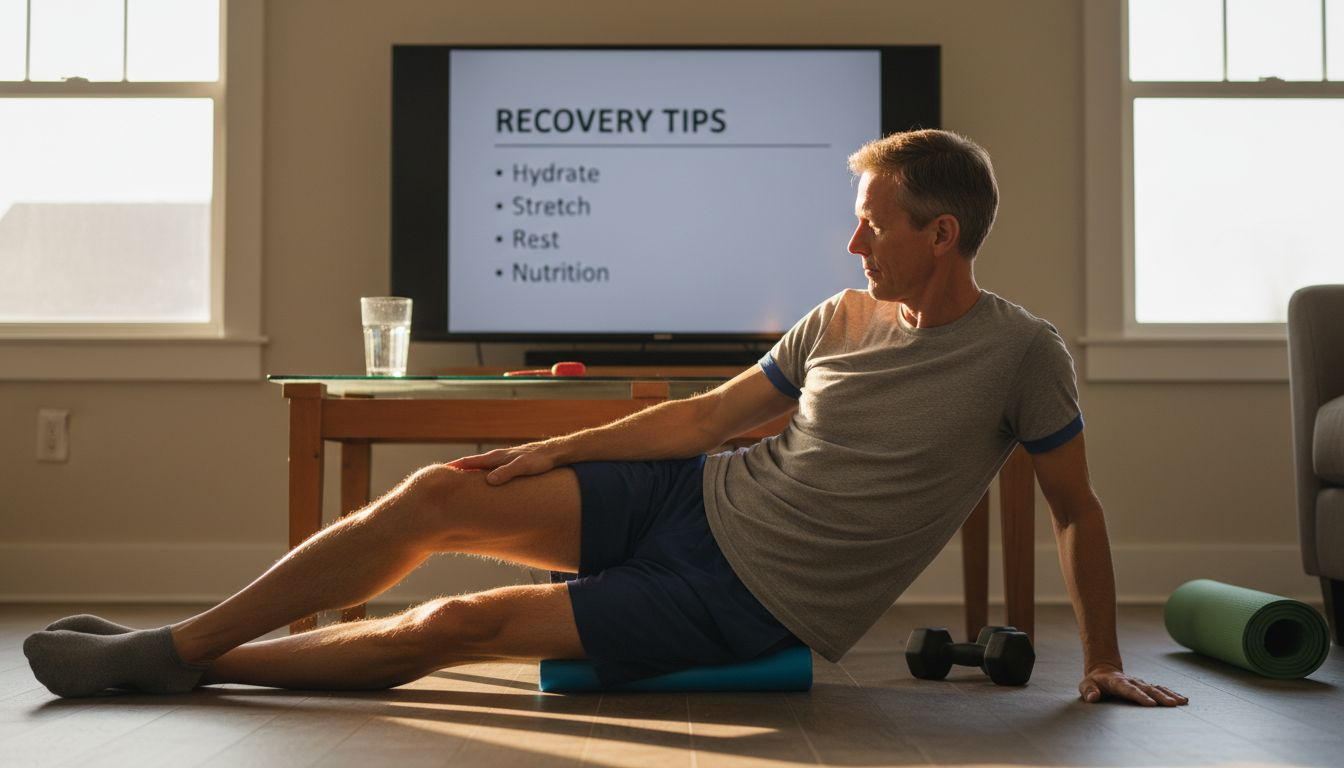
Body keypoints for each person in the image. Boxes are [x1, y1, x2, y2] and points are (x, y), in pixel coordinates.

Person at [24, 129, 1186, 707]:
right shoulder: (839, 318)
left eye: (873, 221)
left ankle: (189, 664)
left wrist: (1100, 662)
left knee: (460, 623)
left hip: (748, 595)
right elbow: (706, 422)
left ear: (943, 234)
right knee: (443, 492)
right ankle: (177, 649)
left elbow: (1076, 510)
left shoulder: (1021, 354)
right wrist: (548, 449)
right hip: (690, 498)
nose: (851, 241)